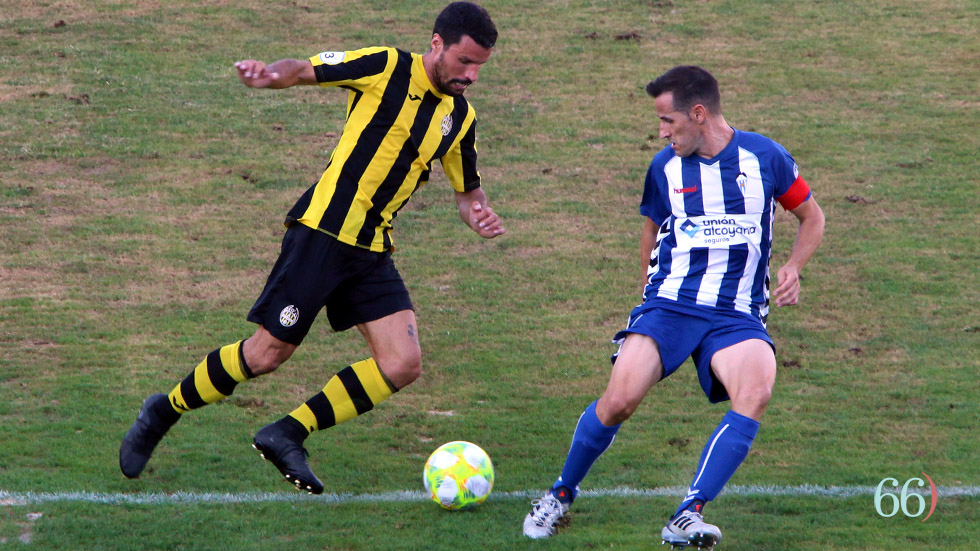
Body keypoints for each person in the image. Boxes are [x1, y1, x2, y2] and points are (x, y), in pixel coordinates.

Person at [119, 1, 504, 495]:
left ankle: (287, 433)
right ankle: (163, 410)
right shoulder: (386, 66)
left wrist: (479, 215)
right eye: (464, 61)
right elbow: (303, 70)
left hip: (371, 249)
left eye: (479, 67)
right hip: (322, 234)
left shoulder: (460, 118)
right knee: (265, 355)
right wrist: (267, 76)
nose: (471, 75)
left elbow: (468, 193)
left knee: (403, 363)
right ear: (437, 44)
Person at [522, 65, 825, 549]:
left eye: (668, 120)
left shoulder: (765, 157)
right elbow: (651, 228)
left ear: (698, 114)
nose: (662, 132)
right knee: (619, 401)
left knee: (756, 389)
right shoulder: (664, 167)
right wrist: (647, 291)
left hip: (736, 314)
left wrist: (793, 267)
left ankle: (689, 513)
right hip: (670, 306)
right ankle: (559, 494)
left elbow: (812, 216)